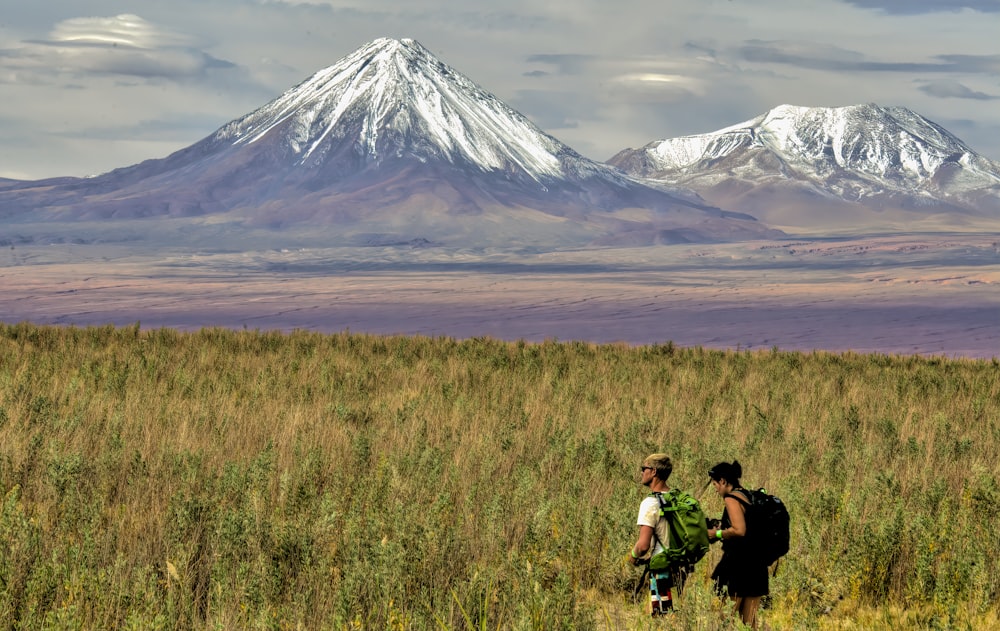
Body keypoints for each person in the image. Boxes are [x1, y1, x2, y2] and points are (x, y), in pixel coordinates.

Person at [707, 460, 768, 629]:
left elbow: (739, 530)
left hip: (739, 566)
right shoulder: (749, 496)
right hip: (757, 565)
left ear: (723, 481)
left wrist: (716, 533)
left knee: (726, 617)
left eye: (715, 484)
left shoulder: (731, 499)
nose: (715, 488)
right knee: (750, 622)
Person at [627, 453, 676, 616]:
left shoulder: (650, 503)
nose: (642, 472)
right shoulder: (677, 497)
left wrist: (633, 556)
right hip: (681, 564)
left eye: (644, 468)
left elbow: (643, 545)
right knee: (675, 614)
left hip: (661, 567)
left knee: (660, 615)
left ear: (653, 472)